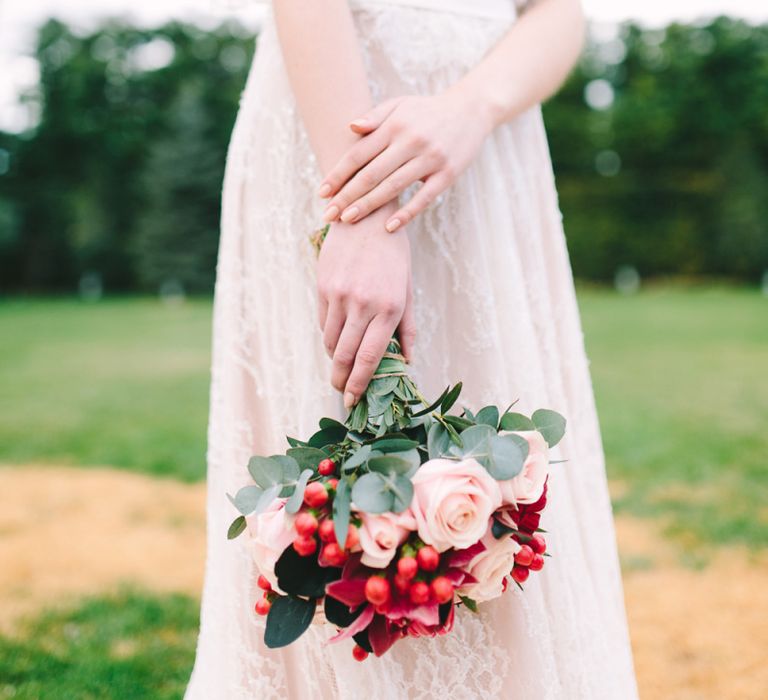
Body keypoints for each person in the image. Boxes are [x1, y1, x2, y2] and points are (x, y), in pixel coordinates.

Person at [186, 0, 639, 697]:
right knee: (342, 449)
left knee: (501, 467)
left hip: (490, 146)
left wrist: (472, 109)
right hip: (342, 120)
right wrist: (361, 216)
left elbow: (557, 12)